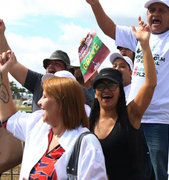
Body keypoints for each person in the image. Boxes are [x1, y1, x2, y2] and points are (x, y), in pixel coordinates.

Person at [81, 0, 169, 178]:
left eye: (162, 10)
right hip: (132, 117)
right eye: (151, 10)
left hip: (162, 120)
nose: (155, 13)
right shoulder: (138, 35)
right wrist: (95, 3)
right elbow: (109, 28)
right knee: (137, 171)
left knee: (162, 173)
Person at [0, 51, 107, 179]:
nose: (39, 101)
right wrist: (2, 74)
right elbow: (8, 117)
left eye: (45, 96)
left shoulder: (87, 144)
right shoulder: (37, 124)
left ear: (62, 103)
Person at [89, 18, 156, 180]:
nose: (106, 90)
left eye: (111, 85)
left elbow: (150, 84)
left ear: (120, 91)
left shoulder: (131, 114)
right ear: (95, 93)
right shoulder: (90, 121)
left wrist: (145, 45)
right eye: (101, 86)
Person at [0, 19, 93, 112]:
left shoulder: (79, 91)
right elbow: (11, 63)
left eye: (57, 63)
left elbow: (94, 116)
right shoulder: (38, 81)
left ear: (67, 70)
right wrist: (1, 34)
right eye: (48, 64)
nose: (51, 66)